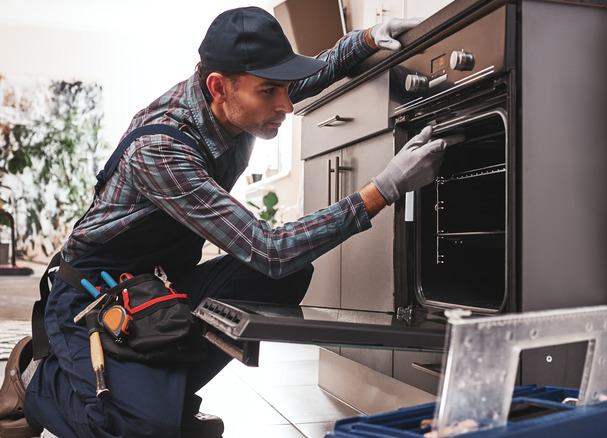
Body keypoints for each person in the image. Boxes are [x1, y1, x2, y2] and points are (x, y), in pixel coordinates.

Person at [0, 7, 461, 438]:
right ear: (219, 86)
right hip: (91, 297)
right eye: (270, 92)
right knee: (142, 430)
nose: (287, 104)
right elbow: (271, 249)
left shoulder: (241, 99)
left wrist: (362, 40)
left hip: (158, 286)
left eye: (283, 89)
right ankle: (36, 378)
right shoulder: (162, 148)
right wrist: (383, 189)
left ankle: (166, 393)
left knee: (285, 277)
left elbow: (306, 75)